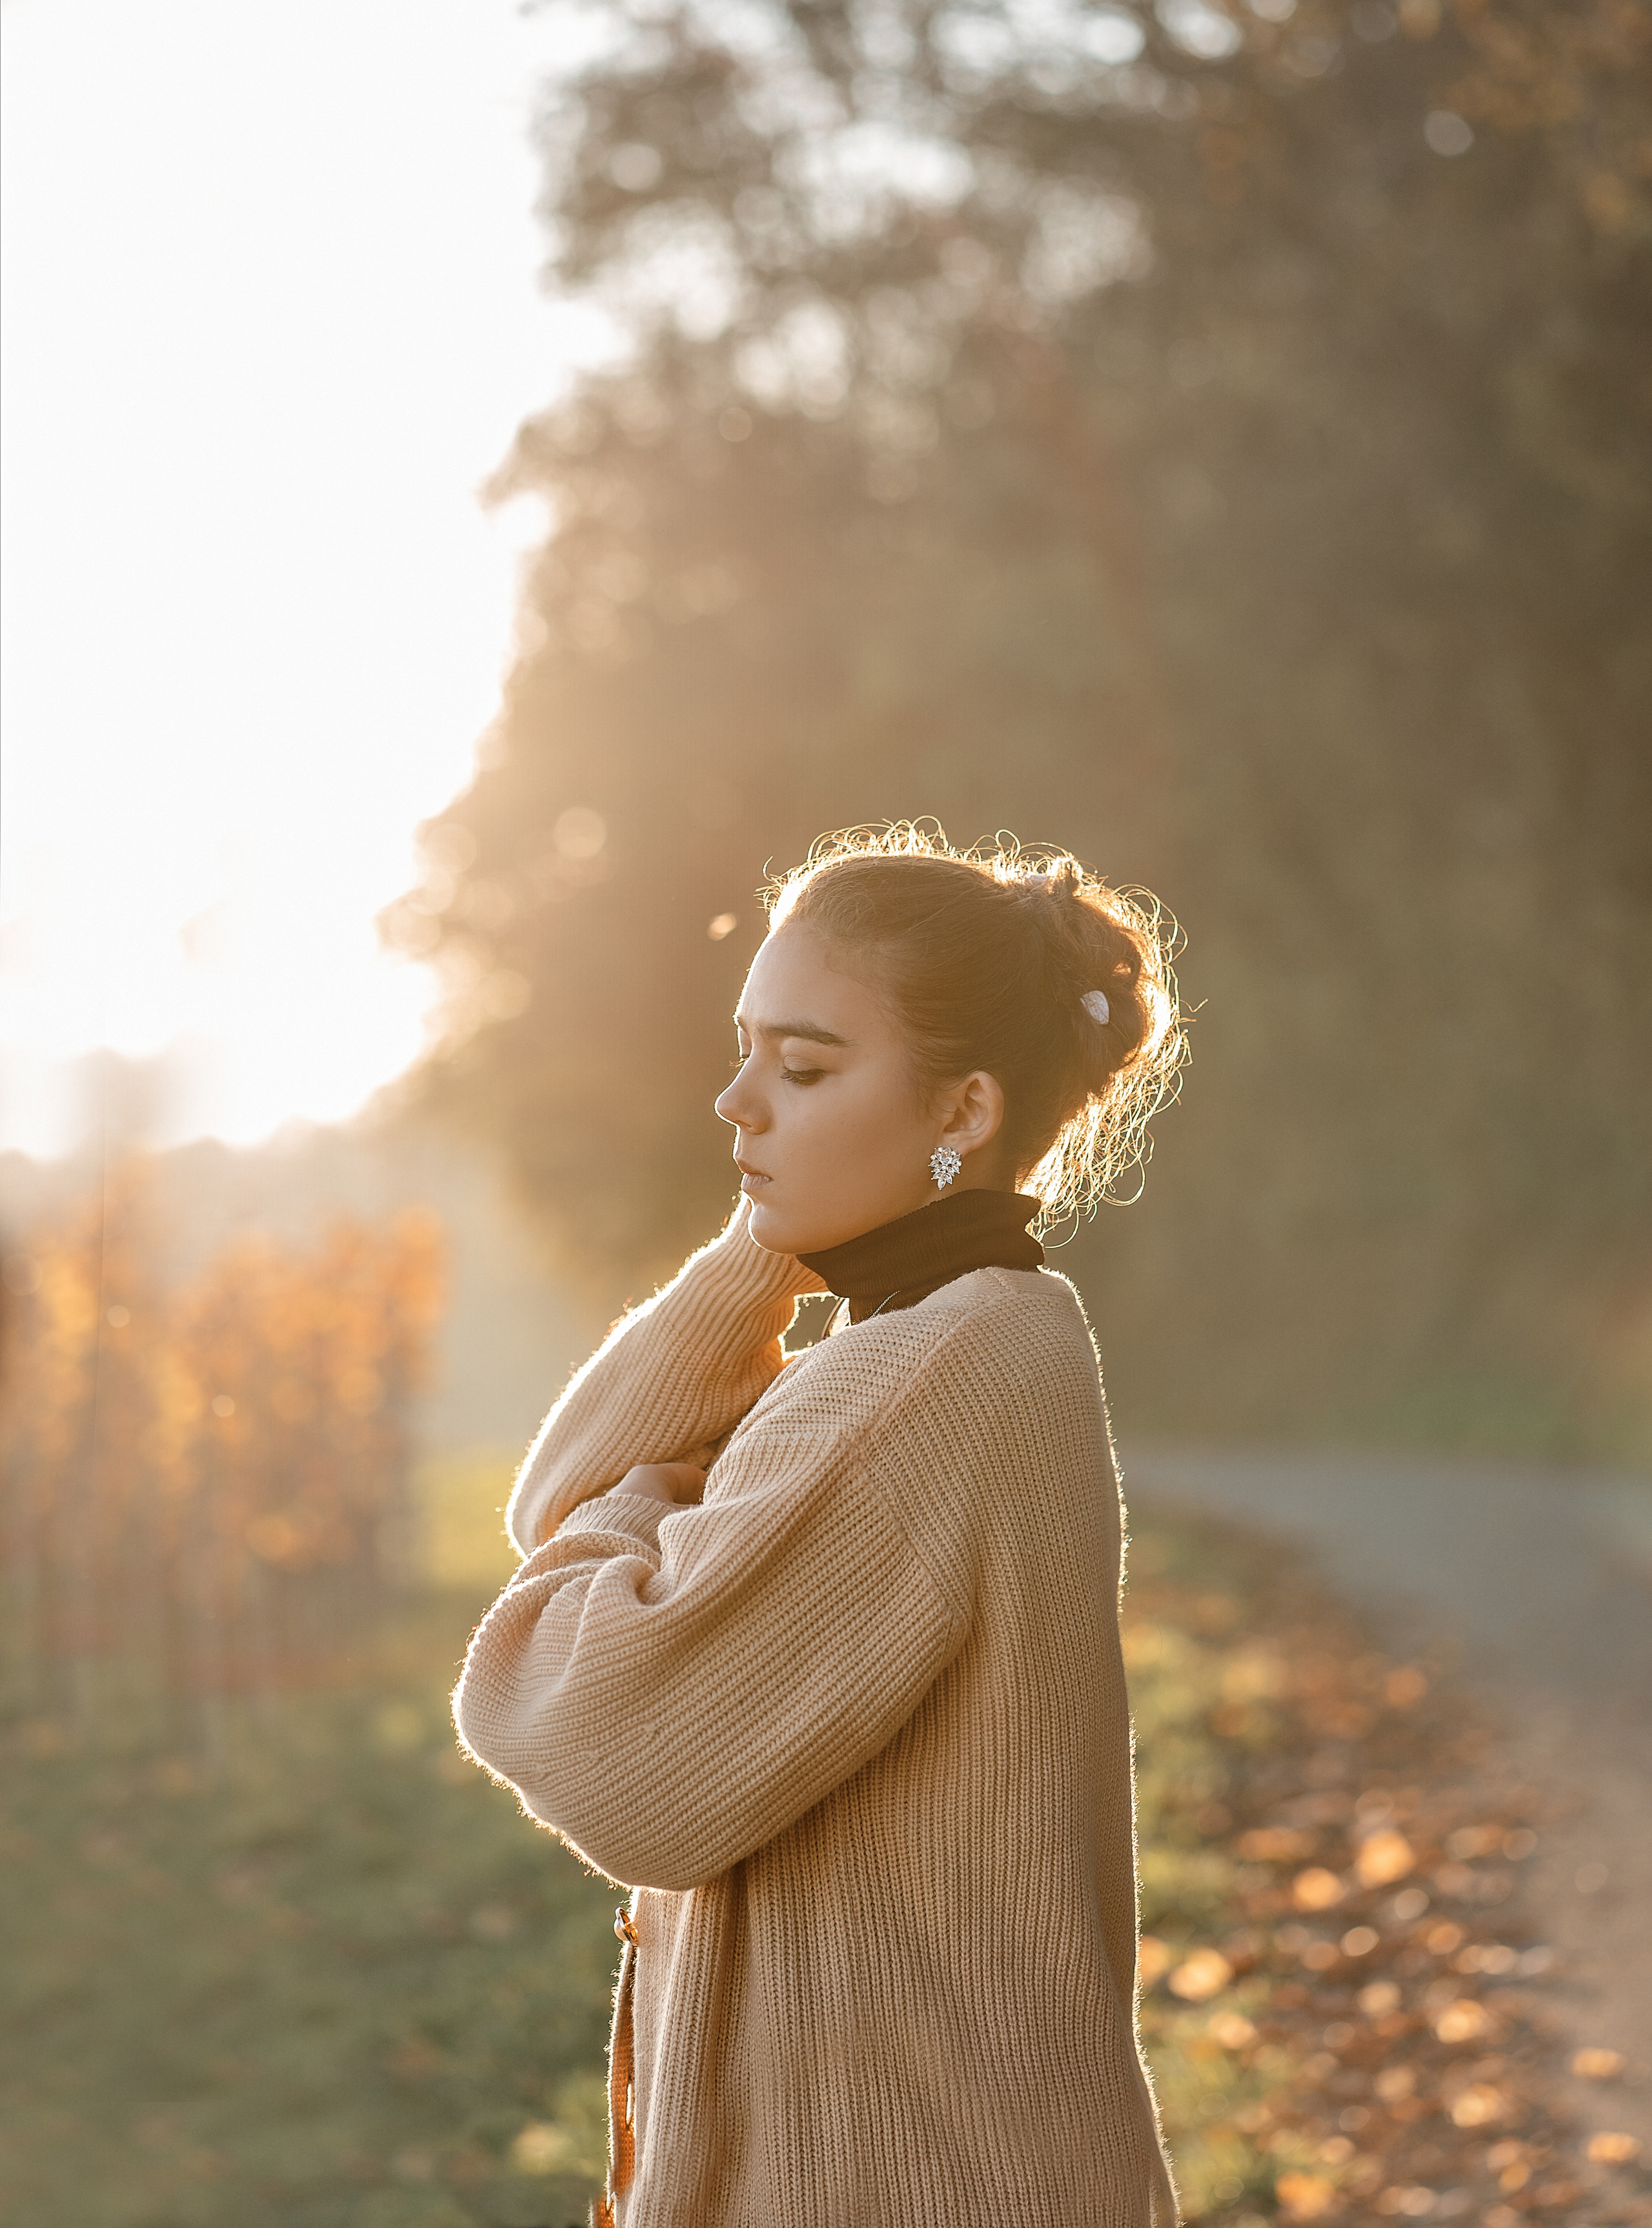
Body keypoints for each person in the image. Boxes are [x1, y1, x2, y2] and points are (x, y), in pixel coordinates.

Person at [453, 825, 1189, 2227]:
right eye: (742, 1055)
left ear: (960, 1108)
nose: (737, 1103)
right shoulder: (953, 1334)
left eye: (800, 1067)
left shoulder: (927, 1369)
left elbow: (596, 1733)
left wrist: (650, 1508)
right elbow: (553, 1508)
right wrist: (757, 1255)